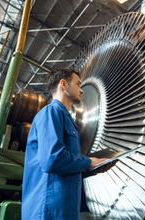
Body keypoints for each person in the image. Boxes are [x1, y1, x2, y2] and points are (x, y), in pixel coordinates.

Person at [22, 68, 113, 220]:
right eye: (78, 84)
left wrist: (93, 168)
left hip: (64, 209)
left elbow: (65, 165)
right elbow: (52, 159)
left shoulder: (68, 120)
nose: (82, 90)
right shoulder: (50, 113)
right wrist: (89, 162)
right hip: (48, 210)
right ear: (63, 85)